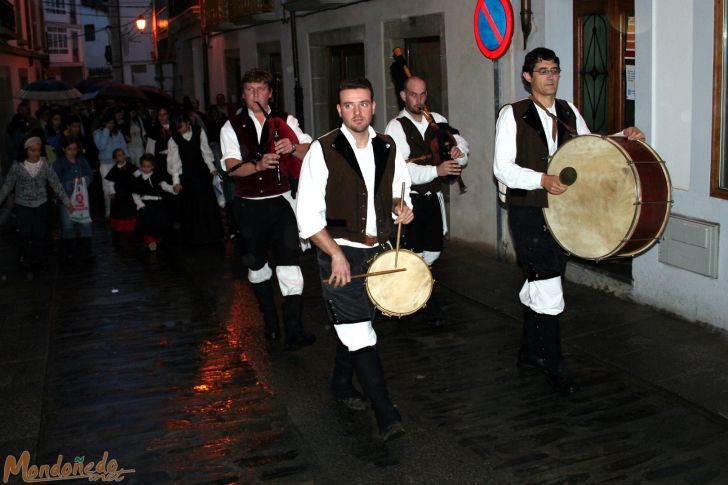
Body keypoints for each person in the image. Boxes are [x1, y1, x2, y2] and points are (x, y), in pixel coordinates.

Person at [493, 47, 645, 393]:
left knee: (542, 281)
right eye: (543, 70)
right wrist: (542, 179)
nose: (550, 76)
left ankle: (530, 353)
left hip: (562, 214)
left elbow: (588, 147)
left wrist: (623, 136)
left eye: (555, 70)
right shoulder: (512, 114)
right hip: (528, 210)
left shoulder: (568, 110)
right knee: (549, 285)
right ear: (527, 77)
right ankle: (554, 362)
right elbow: (502, 168)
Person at [296, 78, 413, 442]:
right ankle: (386, 412)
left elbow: (398, 190)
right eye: (349, 105)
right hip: (339, 251)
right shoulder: (323, 149)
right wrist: (335, 255)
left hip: (377, 253)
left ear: (374, 106)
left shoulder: (388, 146)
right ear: (339, 110)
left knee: (358, 325)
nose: (357, 112)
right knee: (362, 333)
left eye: (363, 104)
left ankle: (341, 382)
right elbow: (307, 214)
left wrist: (400, 208)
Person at [219, 68, 315, 351]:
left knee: (290, 264)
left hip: (282, 203)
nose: (255, 95)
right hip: (249, 207)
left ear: (270, 92)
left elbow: (309, 150)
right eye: (249, 90)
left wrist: (293, 146)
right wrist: (258, 166)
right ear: (243, 93)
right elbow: (231, 166)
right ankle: (271, 323)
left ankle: (294, 329)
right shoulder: (231, 126)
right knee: (258, 267)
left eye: (260, 89)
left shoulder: (285, 120)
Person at [384, 76, 469, 326]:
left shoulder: (438, 120)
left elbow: (461, 143)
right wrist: (436, 171)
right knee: (411, 253)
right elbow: (402, 170)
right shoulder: (396, 127)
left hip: (432, 198)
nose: (418, 100)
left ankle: (415, 296)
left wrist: (458, 152)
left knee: (432, 251)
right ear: (403, 96)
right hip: (408, 199)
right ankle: (419, 304)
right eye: (413, 95)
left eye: (422, 95)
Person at [0, 136, 72, 277]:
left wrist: (66, 201)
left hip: (40, 203)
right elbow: (7, 186)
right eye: (33, 151)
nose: (36, 153)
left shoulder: (45, 164)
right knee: (25, 233)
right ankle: (24, 257)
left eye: (38, 150)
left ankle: (37, 260)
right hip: (23, 204)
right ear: (26, 151)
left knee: (39, 234)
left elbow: (55, 183)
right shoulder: (17, 166)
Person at [166, 113, 222, 245]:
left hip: (202, 173)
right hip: (186, 176)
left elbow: (205, 151)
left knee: (206, 205)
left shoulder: (199, 131)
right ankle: (194, 239)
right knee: (191, 208)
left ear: (187, 122)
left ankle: (211, 237)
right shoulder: (173, 139)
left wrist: (211, 168)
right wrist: (176, 182)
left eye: (181, 126)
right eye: (177, 128)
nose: (180, 130)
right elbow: (174, 162)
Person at [54, 136, 94, 259]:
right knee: (68, 225)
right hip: (66, 199)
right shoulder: (59, 163)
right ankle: (69, 251)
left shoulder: (82, 161)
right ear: (63, 149)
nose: (72, 152)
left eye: (75, 149)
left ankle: (86, 251)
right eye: (69, 149)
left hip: (82, 199)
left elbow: (90, 175)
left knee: (85, 224)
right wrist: (71, 183)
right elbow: (56, 183)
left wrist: (83, 181)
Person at [131, 153, 177, 251]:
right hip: (146, 205)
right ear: (140, 165)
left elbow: (165, 186)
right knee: (147, 225)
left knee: (160, 224)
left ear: (152, 166)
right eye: (143, 166)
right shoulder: (138, 180)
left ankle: (157, 240)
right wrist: (140, 204)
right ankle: (150, 242)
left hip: (157, 205)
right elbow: (135, 194)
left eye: (148, 166)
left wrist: (173, 189)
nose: (145, 168)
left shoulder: (157, 177)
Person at [93, 113, 129, 218]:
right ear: (104, 123)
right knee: (107, 190)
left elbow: (123, 145)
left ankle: (119, 210)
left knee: (119, 188)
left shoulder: (118, 133)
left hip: (118, 163)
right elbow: (101, 146)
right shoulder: (97, 133)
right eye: (109, 123)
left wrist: (126, 157)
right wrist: (106, 130)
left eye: (112, 123)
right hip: (105, 164)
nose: (111, 125)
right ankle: (108, 212)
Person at [104, 148, 138, 232]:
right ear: (115, 159)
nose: (121, 157)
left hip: (130, 193)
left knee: (130, 210)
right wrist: (112, 192)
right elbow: (110, 182)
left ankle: (132, 226)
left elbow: (140, 176)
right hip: (119, 193)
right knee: (120, 211)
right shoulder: (114, 170)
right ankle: (121, 227)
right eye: (119, 155)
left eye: (122, 154)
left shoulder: (131, 167)